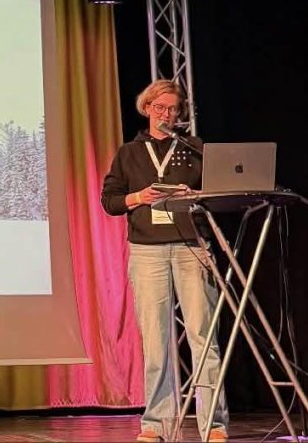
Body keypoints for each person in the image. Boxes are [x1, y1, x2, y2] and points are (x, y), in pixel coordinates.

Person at [101, 79, 229, 443]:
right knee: (156, 342)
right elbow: (110, 201)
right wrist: (139, 197)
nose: (166, 115)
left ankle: (213, 424)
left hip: (192, 247)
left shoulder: (195, 148)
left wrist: (197, 195)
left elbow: (219, 194)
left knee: (204, 337)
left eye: (173, 109)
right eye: (160, 107)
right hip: (147, 252)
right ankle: (155, 424)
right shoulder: (129, 153)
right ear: (146, 108)